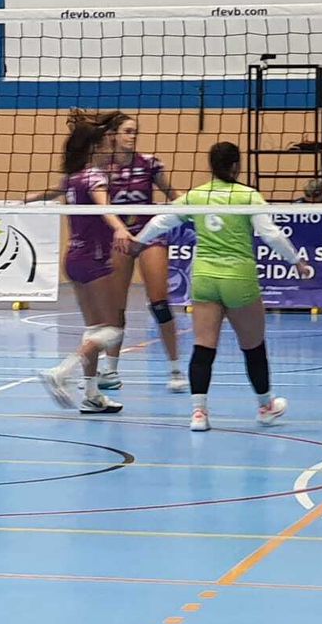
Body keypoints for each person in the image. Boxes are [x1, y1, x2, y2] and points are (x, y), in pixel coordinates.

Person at [123, 141, 311, 432]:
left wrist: (139, 242)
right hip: (239, 279)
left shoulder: (196, 195)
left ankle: (199, 414)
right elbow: (270, 234)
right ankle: (265, 407)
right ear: (236, 165)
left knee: (203, 347)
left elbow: (162, 220)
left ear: (211, 166)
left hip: (205, 279)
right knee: (253, 347)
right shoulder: (248, 196)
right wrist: (296, 261)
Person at [37, 115, 137, 413]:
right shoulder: (94, 177)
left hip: (74, 259)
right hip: (94, 260)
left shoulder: (72, 178)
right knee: (112, 330)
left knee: (94, 328)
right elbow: (103, 205)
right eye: (107, 142)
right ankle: (62, 371)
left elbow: (57, 192)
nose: (111, 146)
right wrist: (119, 227)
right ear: (95, 147)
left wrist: (30, 198)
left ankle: (92, 395)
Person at [105, 112, 185, 393]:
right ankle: (110, 371)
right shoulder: (102, 168)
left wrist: (190, 211)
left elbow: (174, 196)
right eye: (127, 131)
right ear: (113, 135)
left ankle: (175, 369)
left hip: (150, 236)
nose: (132, 136)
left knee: (159, 303)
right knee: (115, 308)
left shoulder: (149, 164)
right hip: (120, 239)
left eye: (135, 131)